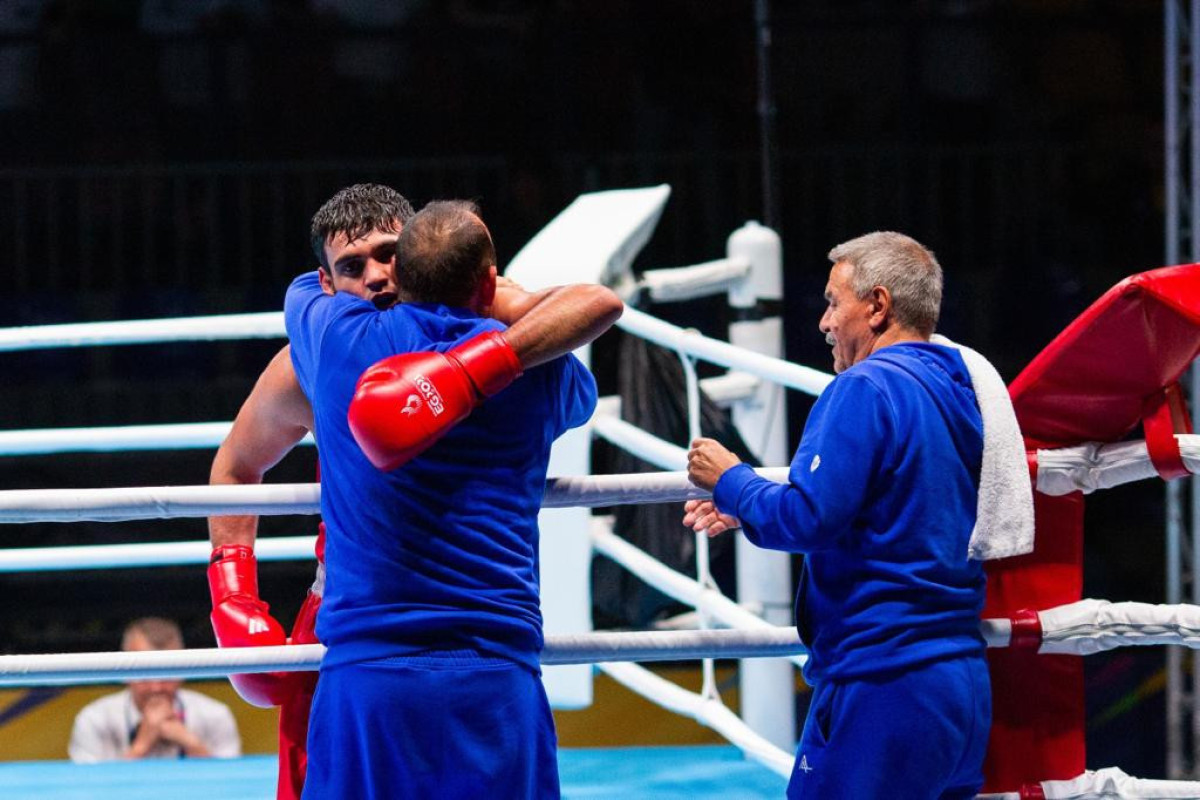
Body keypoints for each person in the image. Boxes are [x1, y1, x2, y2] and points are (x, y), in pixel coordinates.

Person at [209, 187, 621, 798]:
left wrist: (467, 359)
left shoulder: (333, 342)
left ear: (413, 262)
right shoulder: (313, 359)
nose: (377, 276)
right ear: (327, 280)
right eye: (353, 267)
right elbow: (236, 469)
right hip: (366, 631)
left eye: (389, 256)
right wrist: (234, 595)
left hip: (382, 659)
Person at [683, 231, 991, 799]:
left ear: (877, 305)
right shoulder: (959, 390)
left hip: (882, 680)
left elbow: (808, 517)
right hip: (960, 686)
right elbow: (895, 505)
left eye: (832, 302)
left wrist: (731, 479)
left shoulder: (866, 386)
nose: (824, 323)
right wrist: (747, 507)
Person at [68, 617, 241, 763]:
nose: (156, 687)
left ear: (183, 671)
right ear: (124, 672)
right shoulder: (93, 719)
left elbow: (236, 790)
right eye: (145, 673)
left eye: (167, 673)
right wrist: (140, 747)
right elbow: (87, 792)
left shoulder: (216, 715)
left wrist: (192, 744)